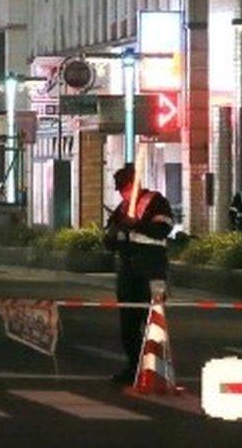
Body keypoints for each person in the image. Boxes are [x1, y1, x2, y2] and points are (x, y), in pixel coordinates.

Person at [103, 165, 174, 385]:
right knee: (129, 325)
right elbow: (110, 239)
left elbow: (163, 228)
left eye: (124, 187)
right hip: (128, 272)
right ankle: (134, 368)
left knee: (153, 323)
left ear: (134, 185)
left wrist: (137, 225)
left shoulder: (155, 201)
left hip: (151, 271)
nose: (122, 193)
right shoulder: (123, 207)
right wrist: (112, 234)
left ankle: (156, 370)